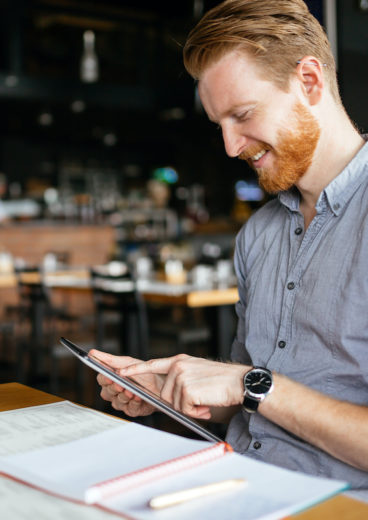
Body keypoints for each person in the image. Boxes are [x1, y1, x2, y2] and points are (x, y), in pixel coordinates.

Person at [93, 0, 368, 498]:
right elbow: (246, 401)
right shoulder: (258, 234)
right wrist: (176, 392)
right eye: (219, 123)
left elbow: (253, 386)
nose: (230, 146)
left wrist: (250, 383)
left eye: (242, 115)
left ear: (308, 82)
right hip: (229, 486)